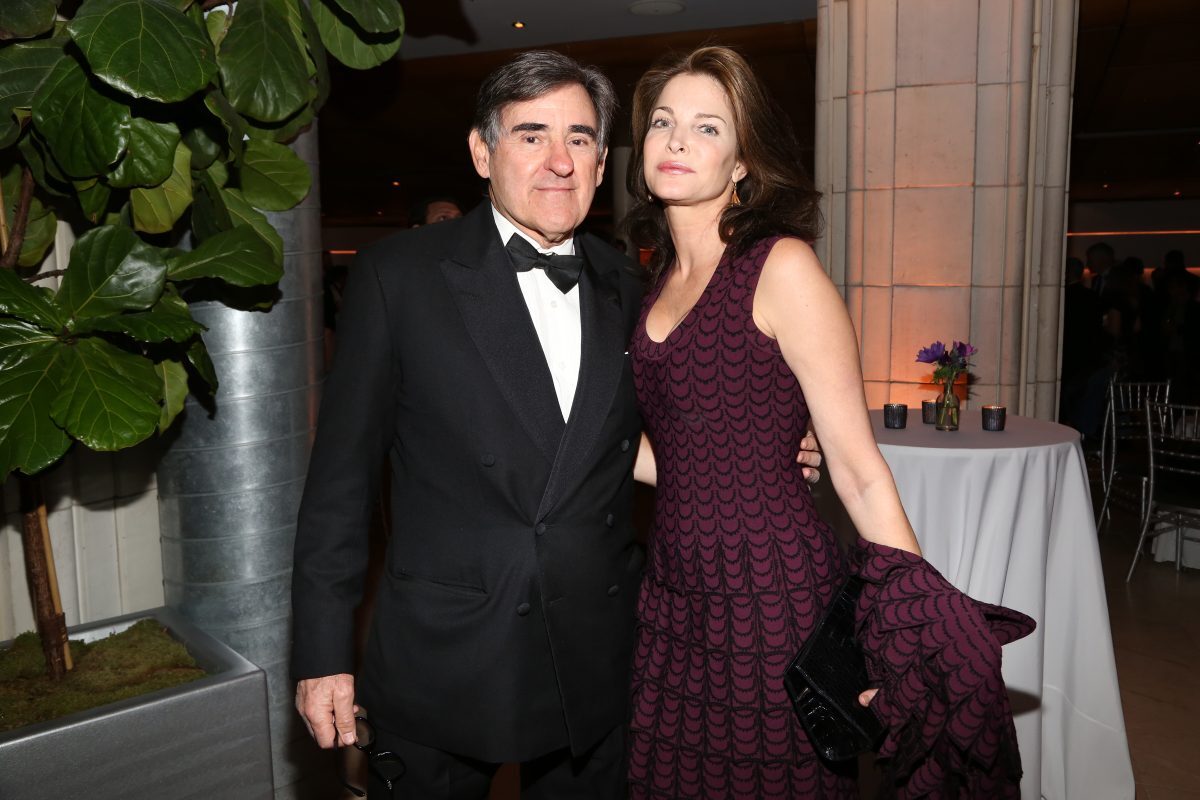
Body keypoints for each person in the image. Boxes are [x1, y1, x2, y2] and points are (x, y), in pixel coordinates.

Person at [291, 49, 826, 800]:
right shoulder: (399, 278)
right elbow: (339, 484)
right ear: (483, 152)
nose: (558, 161)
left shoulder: (634, 287)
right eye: (530, 134)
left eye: (579, 138)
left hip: (596, 658)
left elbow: (654, 437)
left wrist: (769, 454)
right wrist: (323, 654)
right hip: (443, 658)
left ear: (604, 163)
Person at [623, 46, 1031, 798]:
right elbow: (675, 455)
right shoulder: (656, 284)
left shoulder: (779, 268)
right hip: (671, 605)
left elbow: (858, 470)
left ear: (742, 163)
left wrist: (911, 636)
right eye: (662, 122)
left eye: (707, 128)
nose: (677, 141)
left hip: (770, 604)